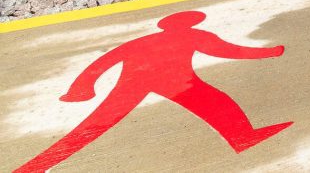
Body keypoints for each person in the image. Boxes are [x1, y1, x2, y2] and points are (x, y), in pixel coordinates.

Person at [17, 11, 292, 173]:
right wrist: (271, 51)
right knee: (217, 102)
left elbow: (103, 63)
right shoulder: (196, 35)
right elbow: (230, 51)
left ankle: (243, 136)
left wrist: (81, 88)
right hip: (172, 81)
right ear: (190, 22)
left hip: (148, 81)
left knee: (96, 124)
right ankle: (242, 137)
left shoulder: (147, 39)